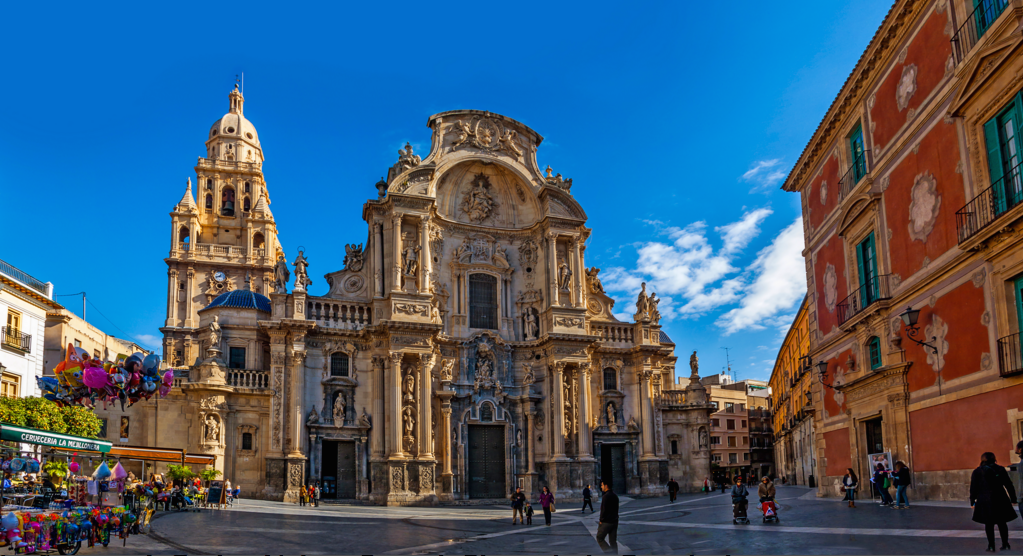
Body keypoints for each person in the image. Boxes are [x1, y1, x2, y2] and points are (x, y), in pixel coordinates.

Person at [970, 452, 1018, 552]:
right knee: (1002, 523)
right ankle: (1005, 544)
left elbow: (973, 488)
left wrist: (972, 501)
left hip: (984, 499)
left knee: (988, 524)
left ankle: (991, 546)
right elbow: (1008, 485)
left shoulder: (977, 471)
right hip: (1000, 498)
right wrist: (1013, 499)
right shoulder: (1000, 469)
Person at [597, 479, 619, 555]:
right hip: (614, 521)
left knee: (599, 538)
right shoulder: (615, 496)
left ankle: (611, 553)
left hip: (606, 522)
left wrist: (601, 520)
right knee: (613, 541)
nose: (601, 486)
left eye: (602, 485)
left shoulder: (605, 496)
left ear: (606, 486)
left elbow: (603, 510)